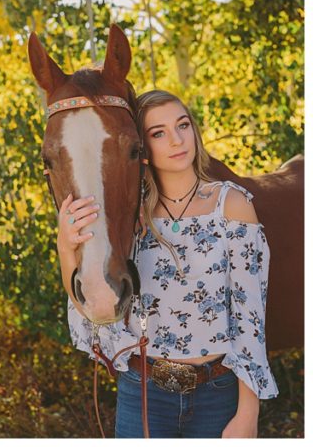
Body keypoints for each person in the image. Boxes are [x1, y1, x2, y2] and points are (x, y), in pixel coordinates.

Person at [59, 90, 276, 437]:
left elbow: (250, 318)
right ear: (141, 147)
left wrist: (248, 413)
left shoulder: (231, 205)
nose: (177, 140)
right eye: (158, 133)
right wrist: (64, 245)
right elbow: (95, 310)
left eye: (183, 125)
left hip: (217, 393)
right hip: (143, 393)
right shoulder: (130, 219)